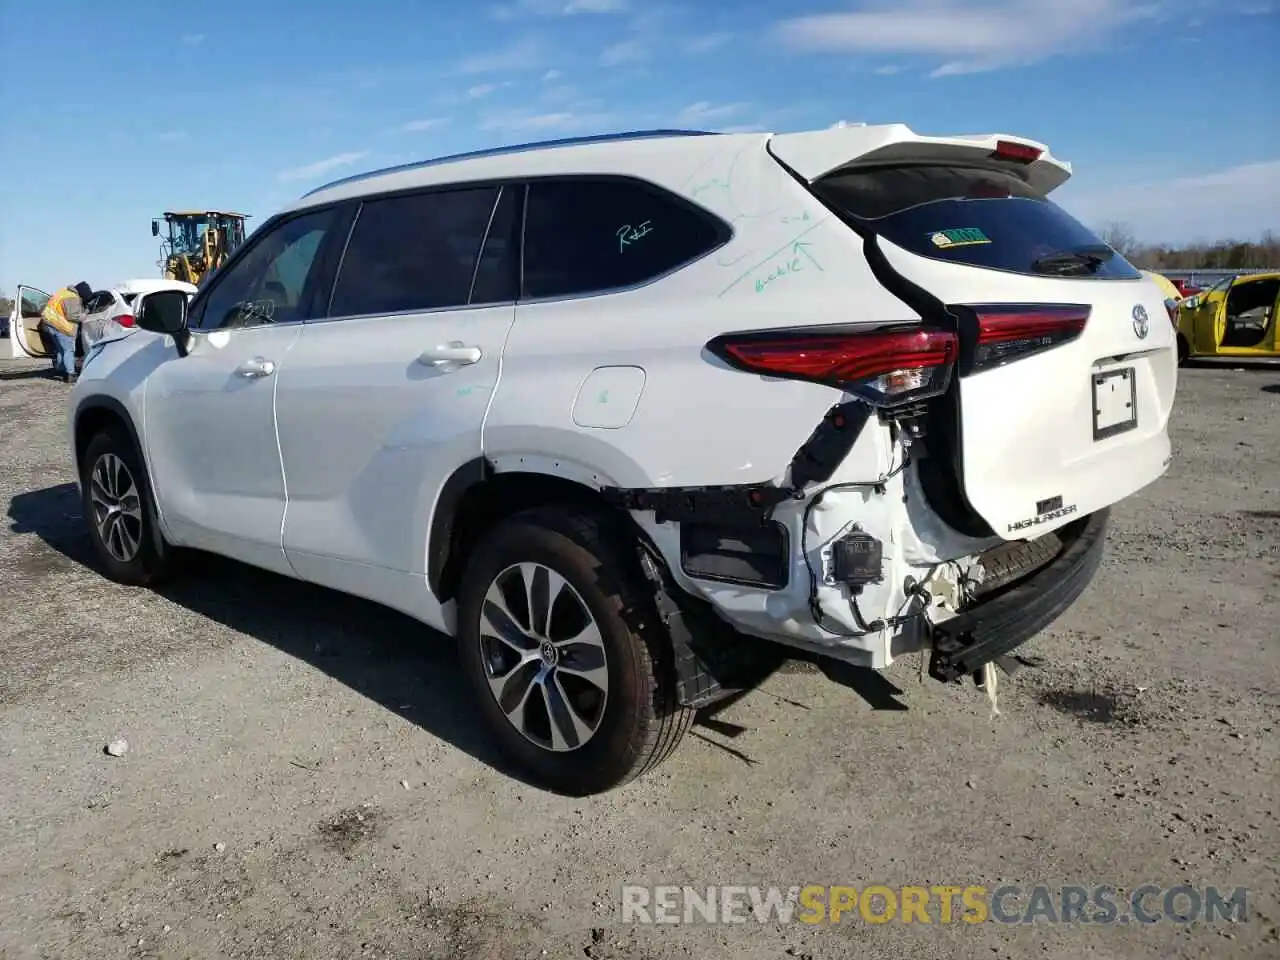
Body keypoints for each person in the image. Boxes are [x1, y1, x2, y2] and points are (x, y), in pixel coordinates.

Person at [38, 281, 91, 382]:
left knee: (61, 349)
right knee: (68, 350)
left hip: (49, 323)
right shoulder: (72, 297)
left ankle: (61, 370)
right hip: (60, 326)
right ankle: (70, 374)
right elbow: (72, 316)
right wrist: (84, 316)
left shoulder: (64, 292)